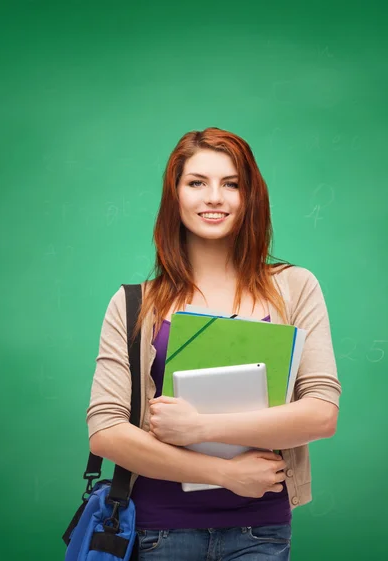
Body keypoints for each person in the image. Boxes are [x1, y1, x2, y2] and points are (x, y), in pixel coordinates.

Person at [87, 127, 341, 560]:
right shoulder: (134, 303)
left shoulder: (296, 287)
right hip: (158, 531)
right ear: (175, 196)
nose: (214, 198)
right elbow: (106, 432)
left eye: (231, 184)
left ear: (250, 197)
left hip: (261, 530)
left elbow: (321, 414)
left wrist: (202, 429)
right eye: (196, 183)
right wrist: (224, 473)